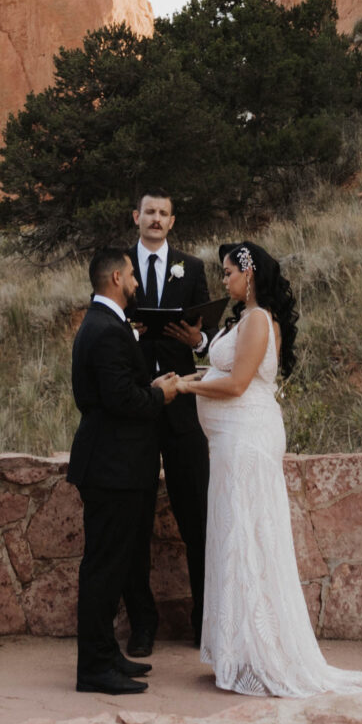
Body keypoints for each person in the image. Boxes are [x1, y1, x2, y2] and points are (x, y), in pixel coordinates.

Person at [164, 240, 362, 700]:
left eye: (230, 272)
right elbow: (226, 374)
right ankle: (241, 646)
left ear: (249, 275)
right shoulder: (246, 318)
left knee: (248, 535)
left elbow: (235, 385)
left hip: (248, 440)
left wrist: (185, 388)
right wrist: (188, 378)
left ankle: (259, 650)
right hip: (233, 442)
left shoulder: (257, 319)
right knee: (236, 533)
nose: (225, 281)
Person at [68, 246, 169, 694]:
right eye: (130, 275)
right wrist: (159, 395)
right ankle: (93, 667)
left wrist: (146, 389)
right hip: (111, 466)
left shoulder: (106, 323)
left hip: (117, 464)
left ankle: (107, 654)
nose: (135, 282)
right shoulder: (106, 329)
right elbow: (120, 399)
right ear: (114, 278)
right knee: (103, 569)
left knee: (111, 564)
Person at [123, 189, 212, 657]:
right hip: (135, 407)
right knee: (134, 521)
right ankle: (142, 625)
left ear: (173, 221)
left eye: (164, 213)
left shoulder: (192, 268)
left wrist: (198, 339)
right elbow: (101, 320)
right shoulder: (117, 267)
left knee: (196, 517)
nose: (155, 219)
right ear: (136, 217)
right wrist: (127, 331)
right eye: (149, 212)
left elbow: (207, 335)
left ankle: (205, 622)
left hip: (182, 412)